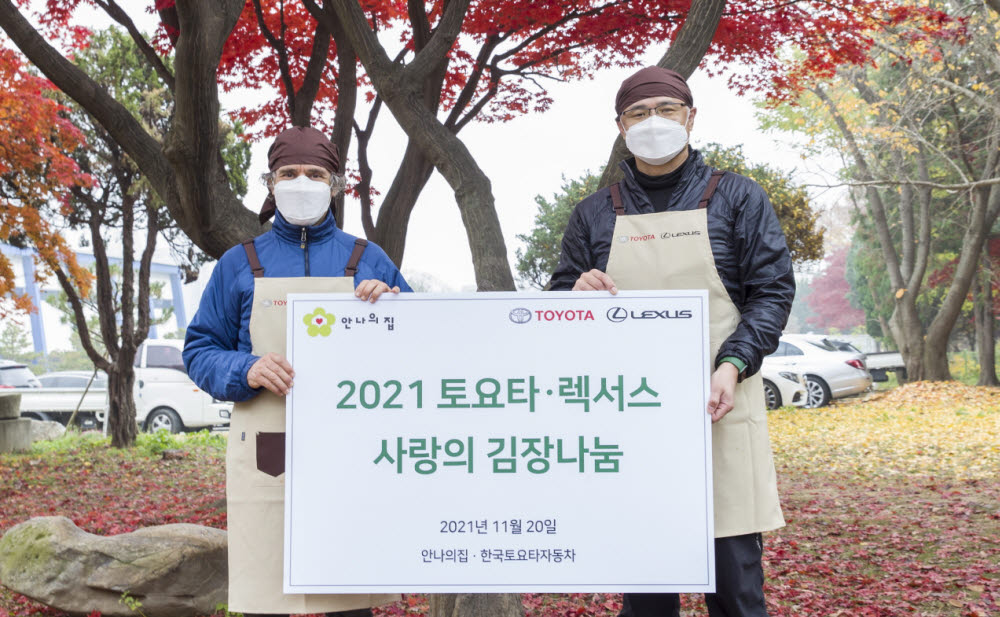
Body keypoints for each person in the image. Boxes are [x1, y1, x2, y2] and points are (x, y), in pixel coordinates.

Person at [549, 66, 795, 617]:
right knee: (646, 594)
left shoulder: (737, 198)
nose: (653, 122)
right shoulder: (593, 212)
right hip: (631, 418)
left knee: (735, 588)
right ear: (619, 126)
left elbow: (772, 292)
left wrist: (732, 364)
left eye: (666, 109)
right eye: (638, 113)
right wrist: (577, 291)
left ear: (691, 117)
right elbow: (560, 302)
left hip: (722, 407)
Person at [183, 126, 410, 617]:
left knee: (348, 595)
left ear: (335, 184)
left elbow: (417, 352)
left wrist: (391, 313)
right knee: (270, 591)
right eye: (289, 173)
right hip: (270, 446)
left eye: (314, 173)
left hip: (354, 451)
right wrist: (247, 367)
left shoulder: (368, 260)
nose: (301, 182)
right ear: (270, 183)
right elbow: (200, 349)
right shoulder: (238, 264)